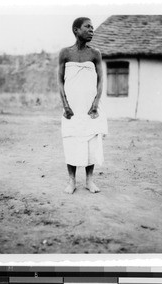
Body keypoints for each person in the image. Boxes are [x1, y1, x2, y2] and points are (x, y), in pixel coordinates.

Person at [58, 17, 108, 194]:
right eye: (87, 27)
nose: (91, 30)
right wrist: (66, 106)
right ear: (76, 30)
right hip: (71, 108)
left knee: (91, 141)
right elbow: (59, 81)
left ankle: (89, 181)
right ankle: (71, 181)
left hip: (90, 107)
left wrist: (95, 104)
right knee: (71, 140)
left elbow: (101, 80)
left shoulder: (95, 53)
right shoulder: (65, 53)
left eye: (93, 27)